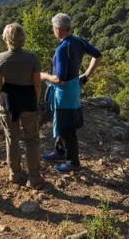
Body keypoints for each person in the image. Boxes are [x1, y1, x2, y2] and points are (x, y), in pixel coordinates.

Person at [40, 13, 102, 172]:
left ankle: (73, 162)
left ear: (59, 30)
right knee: (62, 123)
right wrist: (86, 76)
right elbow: (98, 55)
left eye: (54, 28)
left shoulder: (62, 49)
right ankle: (60, 151)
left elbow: (58, 79)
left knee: (66, 128)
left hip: (64, 92)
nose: (53, 30)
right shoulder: (78, 41)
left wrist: (44, 76)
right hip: (74, 87)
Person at [0, 23, 44, 189]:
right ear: (23, 39)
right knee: (32, 139)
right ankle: (34, 178)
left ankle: (15, 173)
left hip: (8, 102)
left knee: (11, 138)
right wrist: (34, 102)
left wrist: (1, 102)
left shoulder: (0, 58)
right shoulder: (32, 58)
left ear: (6, 39)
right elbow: (37, 84)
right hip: (28, 100)